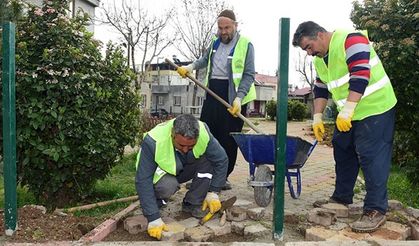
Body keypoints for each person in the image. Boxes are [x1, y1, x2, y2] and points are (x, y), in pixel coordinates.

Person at [292, 21, 397, 233]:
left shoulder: (352, 39)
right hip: (351, 111)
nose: (309, 53)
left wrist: (347, 110)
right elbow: (320, 88)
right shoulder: (321, 59)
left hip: (376, 107)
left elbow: (360, 75)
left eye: (309, 47)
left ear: (320, 35)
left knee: (371, 155)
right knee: (342, 147)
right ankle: (341, 198)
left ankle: (376, 210)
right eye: (305, 50)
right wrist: (317, 117)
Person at [177, 9, 256, 190]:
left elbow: (249, 74)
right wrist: (189, 67)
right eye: (220, 28)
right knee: (205, 134)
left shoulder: (246, 44)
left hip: (234, 98)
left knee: (227, 139)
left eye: (227, 27)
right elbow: (204, 60)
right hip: (212, 92)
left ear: (235, 26)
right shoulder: (214, 42)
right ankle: (202, 175)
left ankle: (223, 178)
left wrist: (239, 98)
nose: (223, 31)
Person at [135, 114, 228, 240]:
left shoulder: (203, 132)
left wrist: (214, 192)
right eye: (181, 145)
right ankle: (156, 203)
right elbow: (143, 180)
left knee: (209, 159)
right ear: (173, 134)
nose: (185, 149)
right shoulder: (153, 141)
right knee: (168, 185)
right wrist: (153, 218)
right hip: (160, 174)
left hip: (183, 168)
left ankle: (192, 203)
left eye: (190, 146)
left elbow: (221, 160)